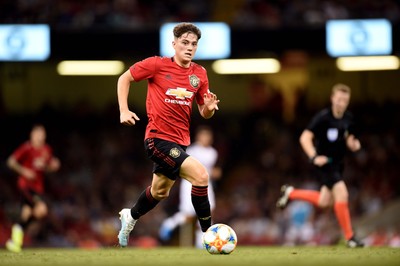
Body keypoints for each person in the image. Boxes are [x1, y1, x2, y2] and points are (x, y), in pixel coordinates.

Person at [116, 22, 220, 247]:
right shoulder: (156, 64)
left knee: (160, 192)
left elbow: (204, 112)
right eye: (184, 43)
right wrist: (124, 109)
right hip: (157, 139)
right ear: (174, 44)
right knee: (201, 176)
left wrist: (209, 108)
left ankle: (131, 215)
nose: (189, 47)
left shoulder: (199, 74)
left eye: (193, 44)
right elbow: (124, 78)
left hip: (179, 143)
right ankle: (209, 235)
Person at [276, 83, 364, 248]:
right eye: (338, 99)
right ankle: (350, 237)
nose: (341, 103)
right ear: (332, 98)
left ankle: (291, 193)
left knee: (324, 201)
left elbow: (351, 138)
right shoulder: (323, 118)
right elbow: (304, 138)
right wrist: (314, 156)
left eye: (344, 100)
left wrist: (354, 144)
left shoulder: (349, 118)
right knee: (342, 193)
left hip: (338, 164)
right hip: (325, 163)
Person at [159, 125, 221, 248]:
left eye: (208, 136)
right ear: (198, 137)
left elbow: (209, 170)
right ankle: (170, 223)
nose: (206, 138)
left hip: (206, 184)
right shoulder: (192, 151)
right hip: (190, 183)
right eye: (204, 135)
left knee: (208, 212)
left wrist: (215, 172)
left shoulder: (213, 153)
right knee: (188, 215)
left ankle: (202, 242)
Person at [5, 124, 60, 252]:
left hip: (38, 188)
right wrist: (24, 171)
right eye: (38, 134)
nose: (41, 137)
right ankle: (17, 232)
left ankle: (15, 241)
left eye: (43, 134)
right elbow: (11, 161)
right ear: (32, 135)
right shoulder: (27, 148)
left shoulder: (47, 149)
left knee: (27, 214)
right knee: (42, 209)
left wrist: (53, 166)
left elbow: (47, 167)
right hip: (26, 186)